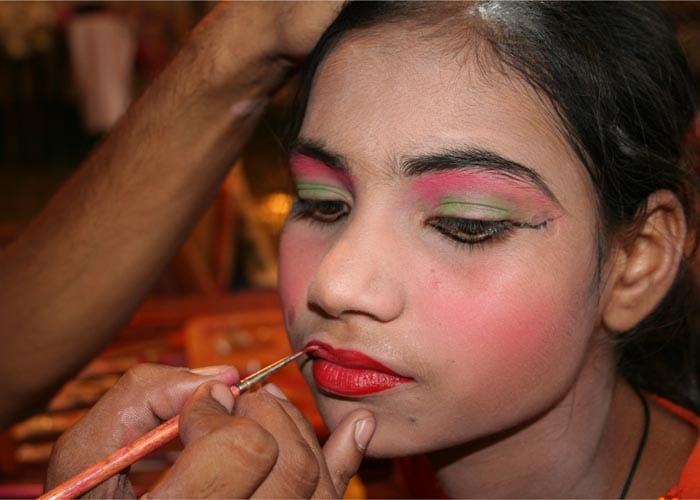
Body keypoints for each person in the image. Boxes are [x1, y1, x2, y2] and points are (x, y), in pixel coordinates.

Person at [44, 1, 700, 498]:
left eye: (465, 222)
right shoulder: (380, 466)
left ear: (636, 261)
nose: (336, 282)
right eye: (323, 202)